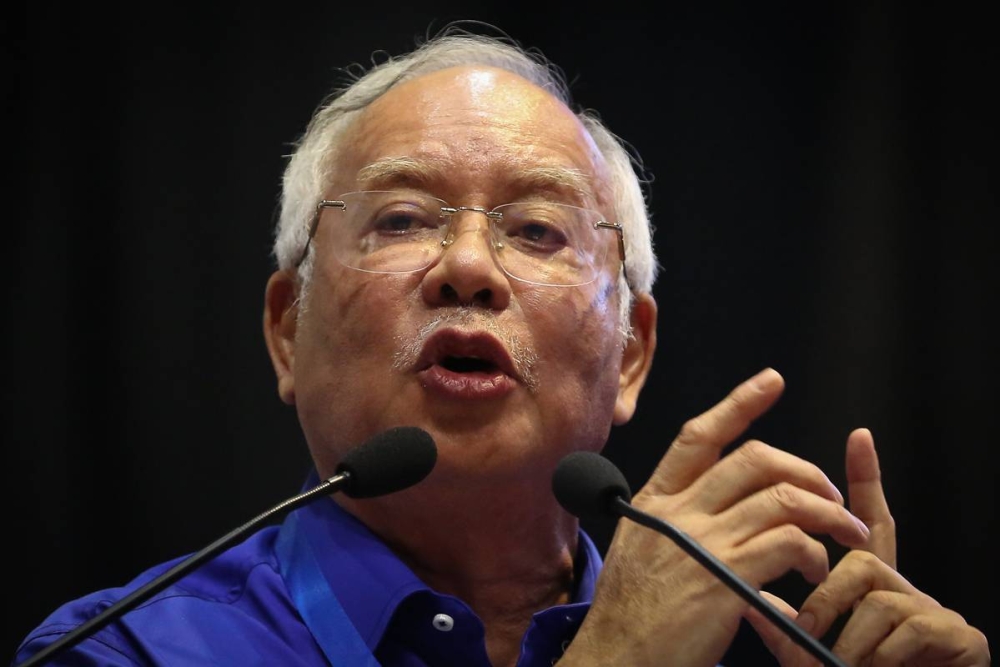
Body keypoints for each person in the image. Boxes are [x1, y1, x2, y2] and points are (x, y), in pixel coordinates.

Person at [13, 23, 990, 667]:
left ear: (633, 354)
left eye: (535, 231)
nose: (469, 268)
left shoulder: (768, 642)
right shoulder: (117, 650)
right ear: (284, 331)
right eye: (401, 219)